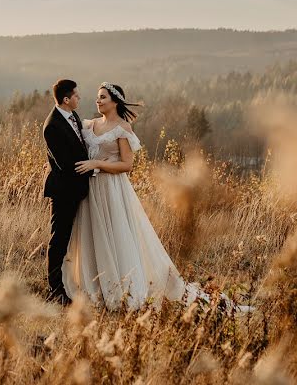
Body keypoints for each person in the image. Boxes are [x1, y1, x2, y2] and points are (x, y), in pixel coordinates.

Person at [62, 82, 237, 311]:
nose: (98, 101)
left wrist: (96, 163)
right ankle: (93, 284)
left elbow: (127, 165)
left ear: (115, 101)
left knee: (116, 236)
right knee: (94, 235)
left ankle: (120, 288)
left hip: (112, 190)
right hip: (91, 191)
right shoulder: (89, 125)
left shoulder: (122, 129)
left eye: (103, 97)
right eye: (98, 97)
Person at [42, 79, 93, 305]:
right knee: (59, 238)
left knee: (68, 238)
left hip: (76, 189)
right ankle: (55, 289)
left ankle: (72, 280)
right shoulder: (52, 125)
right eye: (76, 96)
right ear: (66, 99)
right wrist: (94, 169)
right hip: (64, 190)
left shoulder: (73, 117)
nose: (79, 99)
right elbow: (65, 163)